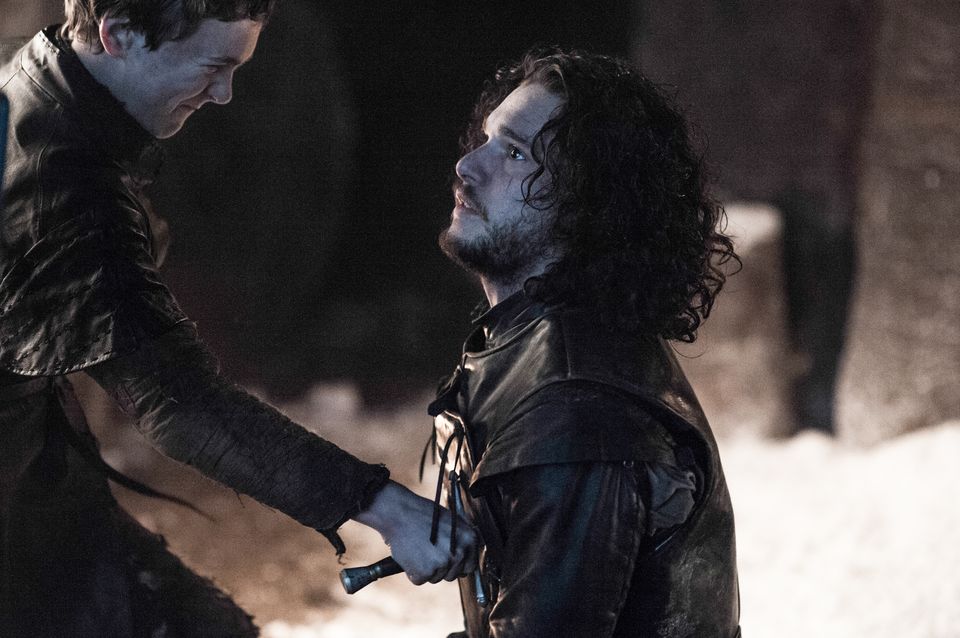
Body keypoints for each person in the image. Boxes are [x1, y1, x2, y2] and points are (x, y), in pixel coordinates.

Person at [0, 1, 474, 636]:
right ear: (119, 34)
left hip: (40, 487)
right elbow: (181, 405)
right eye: (211, 67)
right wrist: (386, 508)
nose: (224, 94)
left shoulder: (35, 74)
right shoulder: (66, 190)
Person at [429, 47, 741, 637]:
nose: (468, 165)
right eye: (487, 139)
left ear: (587, 207)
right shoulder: (538, 340)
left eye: (515, 154)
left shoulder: (578, 415)